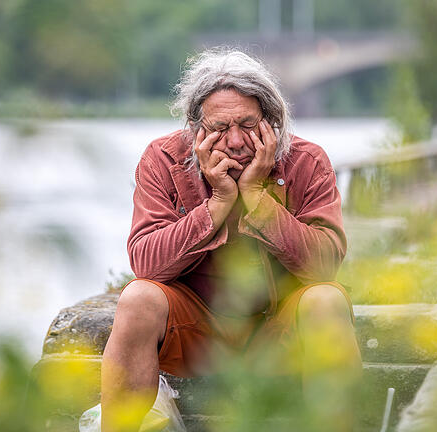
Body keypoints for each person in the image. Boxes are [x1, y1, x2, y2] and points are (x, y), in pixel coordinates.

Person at [100, 48, 361, 431]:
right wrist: (218, 204)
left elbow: (324, 265)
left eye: (248, 124)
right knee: (138, 297)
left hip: (281, 331)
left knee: (327, 298)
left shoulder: (307, 160)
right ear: (195, 129)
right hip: (196, 332)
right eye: (220, 128)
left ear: (271, 122)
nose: (236, 141)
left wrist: (257, 197)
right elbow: (146, 262)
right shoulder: (162, 159)